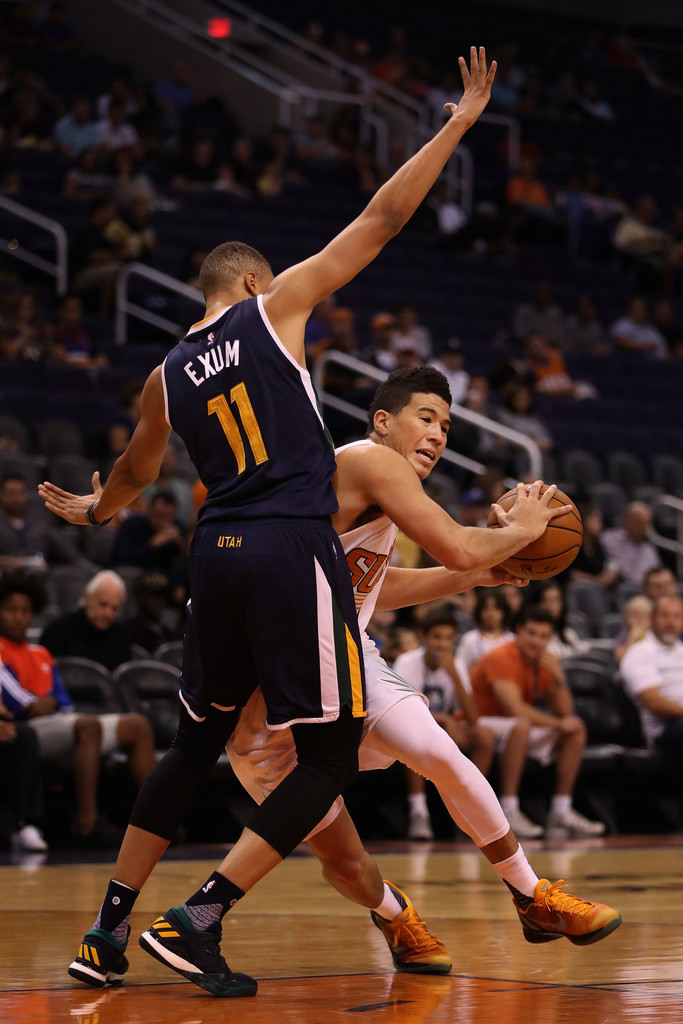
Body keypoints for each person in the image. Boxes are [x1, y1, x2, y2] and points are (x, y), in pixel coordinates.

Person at [39, 46, 505, 1000]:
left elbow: (133, 472)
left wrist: (96, 508)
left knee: (191, 747)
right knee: (329, 753)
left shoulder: (166, 371)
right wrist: (455, 125)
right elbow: (378, 220)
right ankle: (201, 914)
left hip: (215, 555)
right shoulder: (275, 309)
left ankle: (106, 929)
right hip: (293, 545)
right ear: (252, 285)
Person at [226, 365, 620, 929]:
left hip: (345, 658)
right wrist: (522, 533)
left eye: (447, 426)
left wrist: (477, 579)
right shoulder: (364, 462)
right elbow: (461, 547)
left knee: (441, 753)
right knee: (347, 864)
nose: (438, 434)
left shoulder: (384, 491)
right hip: (272, 689)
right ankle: (394, 913)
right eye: (426, 418)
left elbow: (376, 588)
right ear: (383, 422)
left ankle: (532, 895)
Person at [0, 572, 155, 846]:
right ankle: (87, 825)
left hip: (58, 721)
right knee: (87, 725)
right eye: (11, 610)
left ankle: (154, 825)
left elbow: (64, 700)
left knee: (137, 724)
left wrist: (48, 703)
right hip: (31, 727)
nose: (19, 617)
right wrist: (42, 703)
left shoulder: (40, 653)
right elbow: (20, 704)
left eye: (25, 611)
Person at [469, 605, 606, 838]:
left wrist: (559, 676)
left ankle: (561, 811)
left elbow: (565, 712)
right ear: (519, 632)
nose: (536, 641)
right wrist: (556, 724)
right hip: (478, 723)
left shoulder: (544, 662)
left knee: (576, 730)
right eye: (531, 634)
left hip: (513, 729)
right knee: (522, 726)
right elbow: (514, 709)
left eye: (543, 636)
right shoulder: (501, 656)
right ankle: (509, 809)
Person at [393, 607, 498, 841]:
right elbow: (403, 712)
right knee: (415, 739)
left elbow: (473, 719)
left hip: (446, 729)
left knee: (484, 736)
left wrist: (456, 677)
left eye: (448, 638)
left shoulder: (456, 665)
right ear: (423, 637)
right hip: (411, 728)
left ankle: (470, 807)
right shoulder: (406, 662)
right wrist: (443, 721)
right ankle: (419, 812)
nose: (442, 644)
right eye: (437, 637)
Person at [619, 595, 683, 763]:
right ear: (652, 619)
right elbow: (653, 702)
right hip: (665, 729)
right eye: (665, 616)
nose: (671, 622)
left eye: (677, 616)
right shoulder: (639, 652)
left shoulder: (681, 650)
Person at [40, 570, 133, 672]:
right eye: (103, 604)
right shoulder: (57, 631)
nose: (108, 614)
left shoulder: (121, 635)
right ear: (86, 598)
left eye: (114, 608)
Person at [602, 502, 661, 589]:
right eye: (641, 523)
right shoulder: (609, 539)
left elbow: (657, 574)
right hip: (622, 590)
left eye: (648, 524)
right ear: (627, 521)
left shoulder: (649, 549)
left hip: (648, 591)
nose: (645, 528)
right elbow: (621, 571)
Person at [537, 581, 589, 659]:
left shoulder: (568, 634)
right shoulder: (534, 638)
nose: (550, 605)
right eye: (546, 600)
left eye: (556, 600)